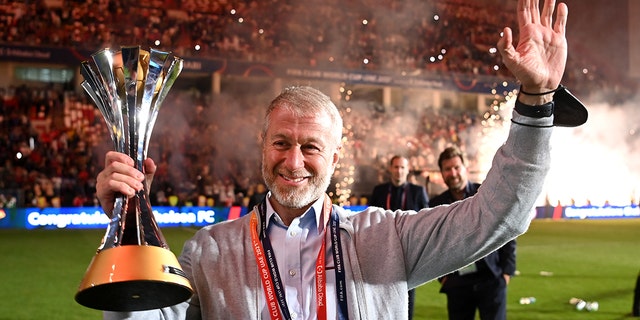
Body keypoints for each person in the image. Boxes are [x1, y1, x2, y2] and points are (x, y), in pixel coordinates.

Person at [97, 0, 578, 318]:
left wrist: (536, 99)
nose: (294, 161)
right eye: (281, 142)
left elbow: (500, 214)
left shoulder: (387, 237)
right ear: (261, 145)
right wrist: (125, 224)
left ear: (334, 157)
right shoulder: (210, 252)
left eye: (311, 147)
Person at [430, 146, 516, 320]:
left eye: (456, 167)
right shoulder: (436, 204)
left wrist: (506, 272)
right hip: (457, 284)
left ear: (465, 169)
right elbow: (432, 245)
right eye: (447, 169)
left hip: (490, 279)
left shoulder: (484, 193)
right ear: (442, 173)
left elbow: (507, 228)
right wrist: (443, 278)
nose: (453, 173)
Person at [369, 155, 429, 320]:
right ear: (390, 169)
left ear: (408, 170)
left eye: (402, 167)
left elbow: (426, 222)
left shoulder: (418, 192)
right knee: (381, 302)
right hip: (383, 253)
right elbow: (370, 221)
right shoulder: (379, 191)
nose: (399, 171)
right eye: (396, 167)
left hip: (408, 254)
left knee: (406, 302)